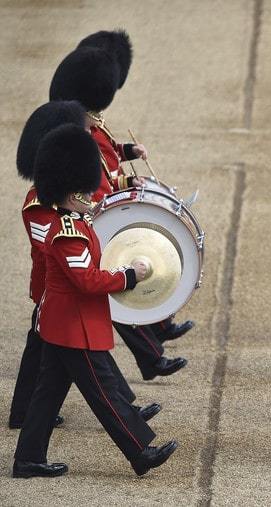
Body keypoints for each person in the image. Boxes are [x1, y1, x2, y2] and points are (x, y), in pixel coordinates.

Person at [13, 124, 177, 478]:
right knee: (105, 393)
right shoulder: (67, 233)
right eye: (83, 193)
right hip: (73, 326)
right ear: (70, 193)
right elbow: (86, 281)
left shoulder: (74, 219)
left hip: (63, 323)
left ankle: (27, 459)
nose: (89, 196)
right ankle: (140, 452)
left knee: (46, 397)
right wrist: (129, 276)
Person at [49, 37, 188, 381]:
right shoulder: (78, 132)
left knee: (118, 290)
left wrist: (128, 155)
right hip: (91, 221)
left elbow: (108, 159)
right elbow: (92, 182)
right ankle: (152, 354)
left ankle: (155, 340)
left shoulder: (91, 123)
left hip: (98, 213)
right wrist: (121, 188)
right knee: (115, 290)